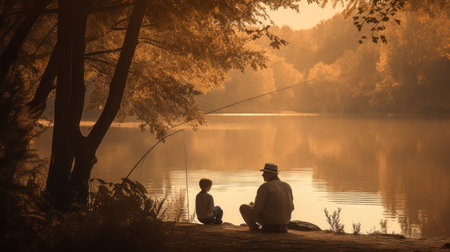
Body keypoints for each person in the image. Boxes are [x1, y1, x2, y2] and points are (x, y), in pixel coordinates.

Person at [239, 163, 294, 232]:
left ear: (271, 174)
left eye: (265, 173)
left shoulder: (265, 187)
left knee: (243, 207)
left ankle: (254, 229)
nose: (262, 175)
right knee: (253, 206)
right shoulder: (287, 186)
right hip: (284, 224)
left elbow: (256, 211)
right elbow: (292, 208)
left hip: (271, 223)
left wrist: (251, 206)